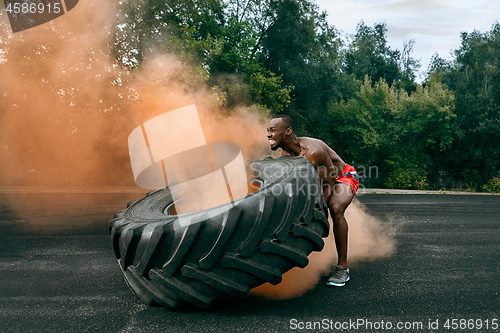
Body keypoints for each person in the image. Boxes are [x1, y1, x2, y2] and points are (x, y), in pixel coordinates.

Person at [266, 115, 359, 287]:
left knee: (335, 208)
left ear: (288, 132)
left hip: (342, 176)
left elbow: (330, 180)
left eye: (273, 130)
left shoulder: (312, 151)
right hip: (322, 179)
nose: (268, 135)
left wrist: (319, 211)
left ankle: (343, 269)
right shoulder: (286, 155)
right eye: (268, 131)